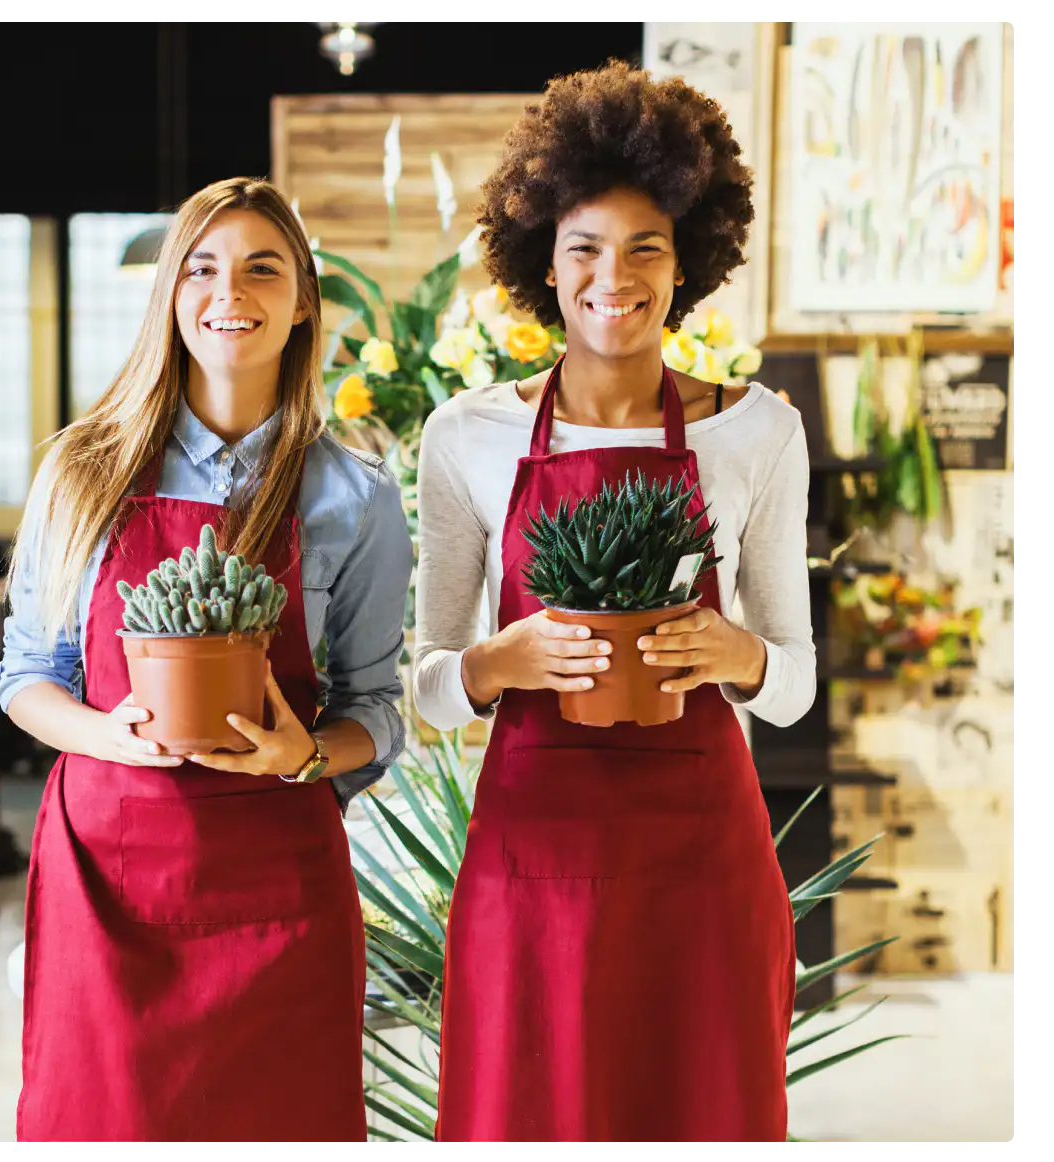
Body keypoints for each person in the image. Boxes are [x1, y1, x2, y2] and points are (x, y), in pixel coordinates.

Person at [413, 62, 816, 1143]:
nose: (615, 276)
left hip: (701, 867)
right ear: (543, 259)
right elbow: (428, 688)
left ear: (690, 259)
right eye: (585, 246)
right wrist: (501, 665)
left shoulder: (759, 432)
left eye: (647, 246)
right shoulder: (467, 436)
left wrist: (737, 655)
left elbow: (792, 684)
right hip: (530, 856)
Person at [0, 177, 412, 1143]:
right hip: (110, 885)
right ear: (170, 296)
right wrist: (109, 734)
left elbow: (377, 708)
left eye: (264, 268)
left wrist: (299, 755)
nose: (233, 291)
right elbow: (27, 675)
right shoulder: (82, 470)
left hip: (281, 890)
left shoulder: (353, 494)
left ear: (304, 301)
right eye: (203, 267)